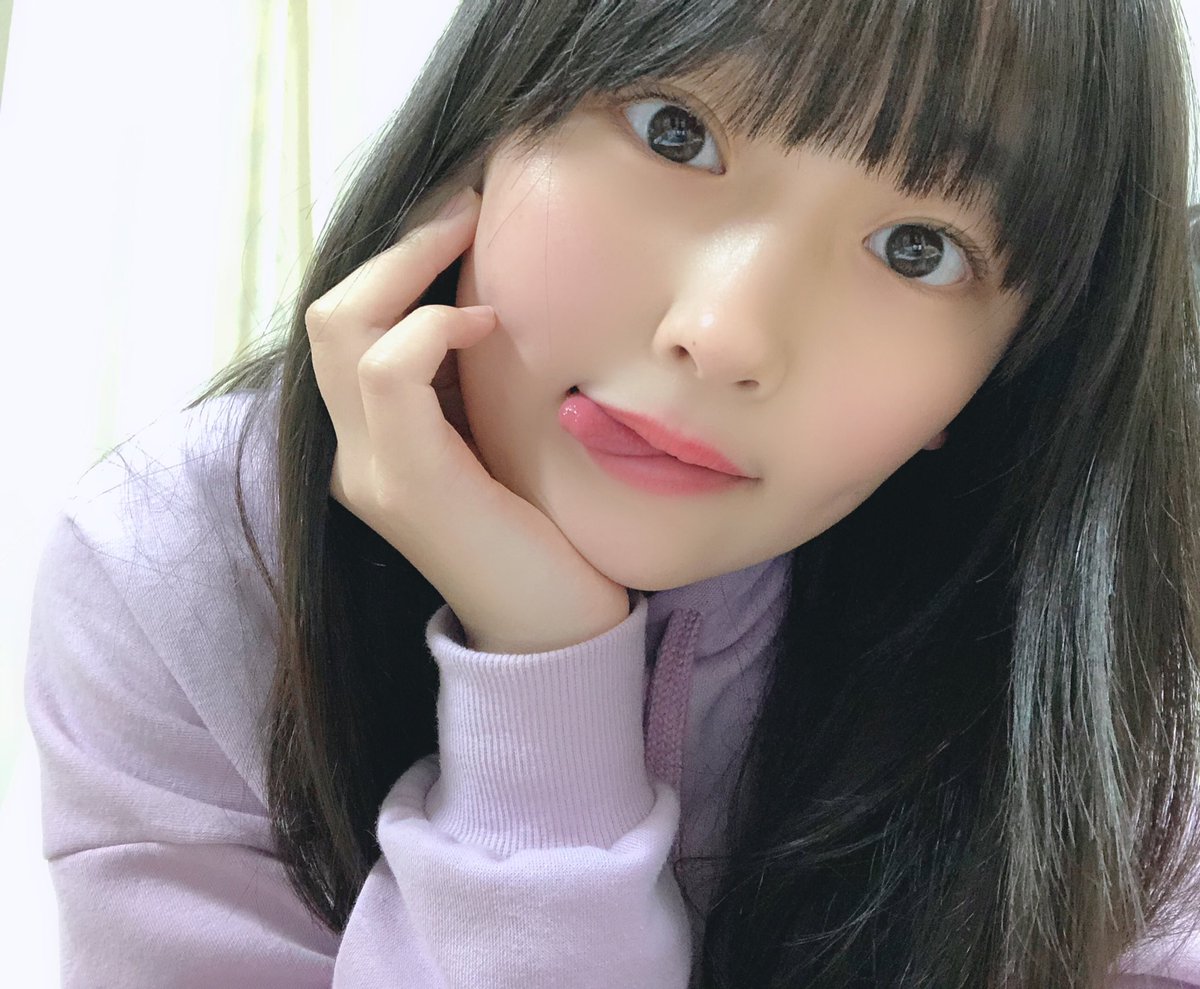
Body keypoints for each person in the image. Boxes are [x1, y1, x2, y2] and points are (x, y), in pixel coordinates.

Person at [23, 0, 1200, 985]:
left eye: (917, 249)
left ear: (1003, 375)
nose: (724, 332)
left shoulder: (1126, 678)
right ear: (485, 124)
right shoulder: (182, 565)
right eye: (675, 131)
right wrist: (540, 687)